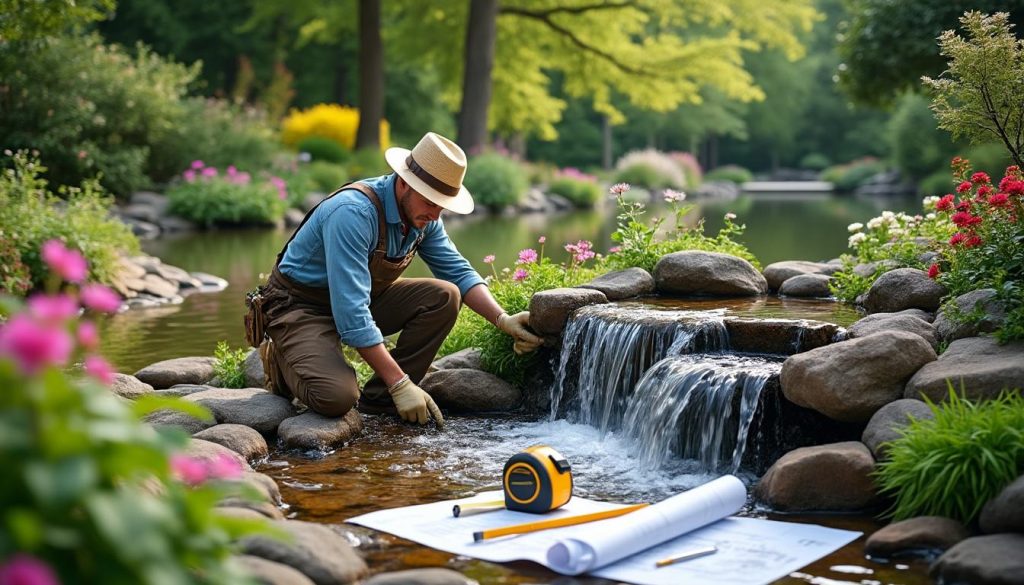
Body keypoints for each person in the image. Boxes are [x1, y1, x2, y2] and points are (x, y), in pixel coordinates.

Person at [255, 131, 542, 428]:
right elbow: (351, 313)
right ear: (404, 182)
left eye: (442, 205)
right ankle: (284, 358)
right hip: (300, 307)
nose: (436, 214)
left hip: (360, 298)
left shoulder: (423, 215)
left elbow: (458, 271)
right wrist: (400, 382)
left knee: (445, 296)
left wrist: (502, 319)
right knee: (336, 398)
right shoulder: (352, 213)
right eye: (430, 202)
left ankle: (380, 400)